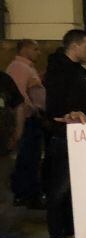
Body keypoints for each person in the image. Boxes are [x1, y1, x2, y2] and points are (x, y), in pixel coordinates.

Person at [44, 29, 86, 238]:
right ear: (74, 46)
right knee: (59, 187)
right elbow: (56, 106)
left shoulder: (79, 71)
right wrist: (66, 117)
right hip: (63, 135)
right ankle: (56, 236)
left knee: (73, 188)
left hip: (80, 136)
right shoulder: (58, 70)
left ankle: (69, 232)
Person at [6, 39, 46, 208]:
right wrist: (33, 109)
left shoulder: (27, 67)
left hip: (33, 119)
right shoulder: (18, 68)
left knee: (32, 157)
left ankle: (30, 193)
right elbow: (19, 96)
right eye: (35, 49)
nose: (38, 53)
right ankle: (24, 194)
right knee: (26, 158)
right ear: (24, 49)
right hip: (28, 119)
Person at [0, 70, 27, 238]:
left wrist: (17, 132)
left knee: (2, 191)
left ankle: (5, 232)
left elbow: (19, 104)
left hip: (1, 146)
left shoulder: (3, 79)